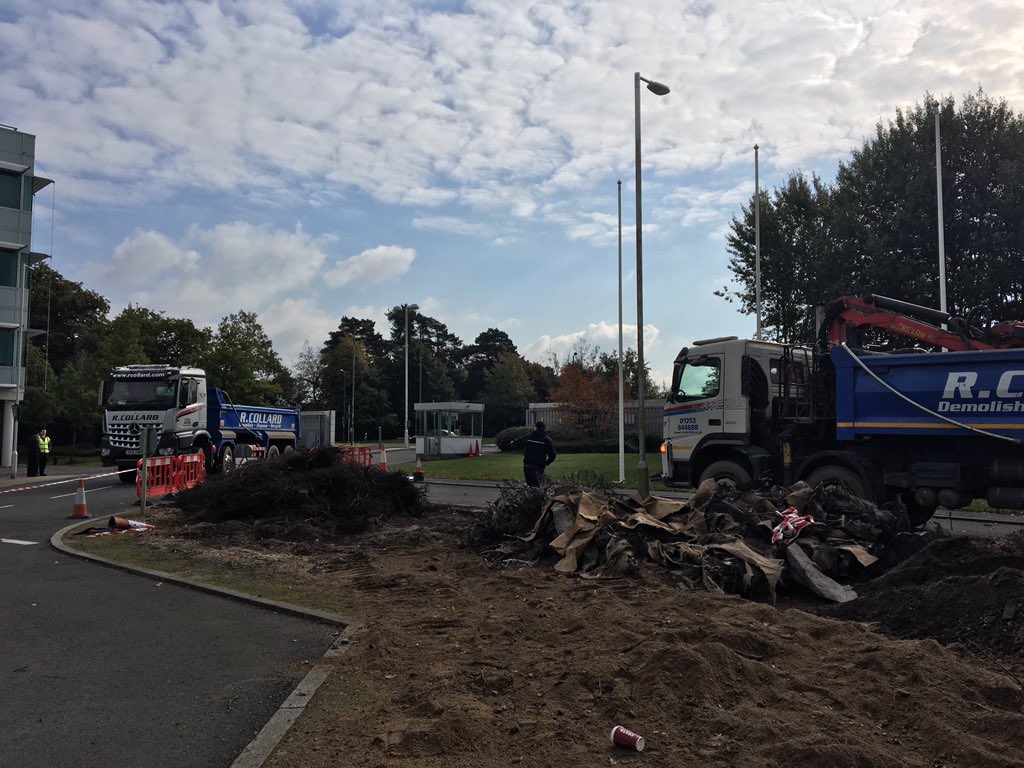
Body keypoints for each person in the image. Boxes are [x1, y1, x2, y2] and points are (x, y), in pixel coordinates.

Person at [521, 421, 556, 487]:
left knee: (530, 486)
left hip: (527, 465)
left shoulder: (528, 437)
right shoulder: (547, 440)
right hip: (538, 466)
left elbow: (517, 442)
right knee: (539, 486)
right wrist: (547, 462)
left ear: (535, 428)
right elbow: (552, 455)